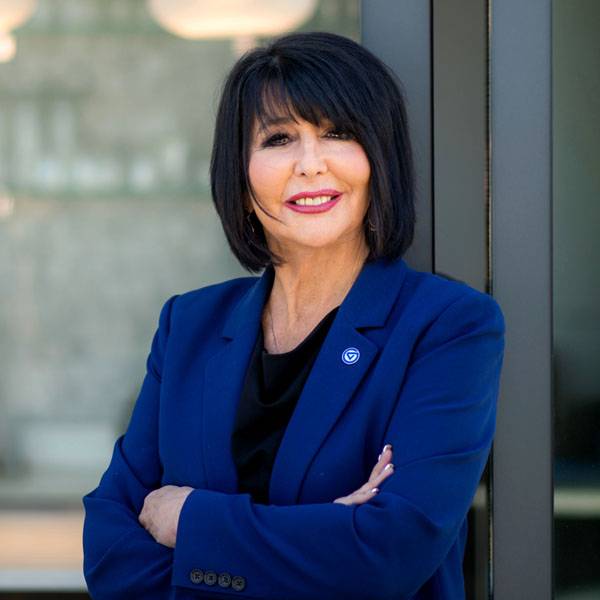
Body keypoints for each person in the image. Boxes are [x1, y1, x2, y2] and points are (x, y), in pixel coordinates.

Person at [82, 31, 505, 600]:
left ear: (379, 157)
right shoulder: (189, 325)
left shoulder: (448, 327)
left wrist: (191, 522)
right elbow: (109, 548)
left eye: (338, 133)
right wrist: (324, 532)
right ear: (241, 168)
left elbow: (390, 554)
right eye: (279, 138)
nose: (311, 165)